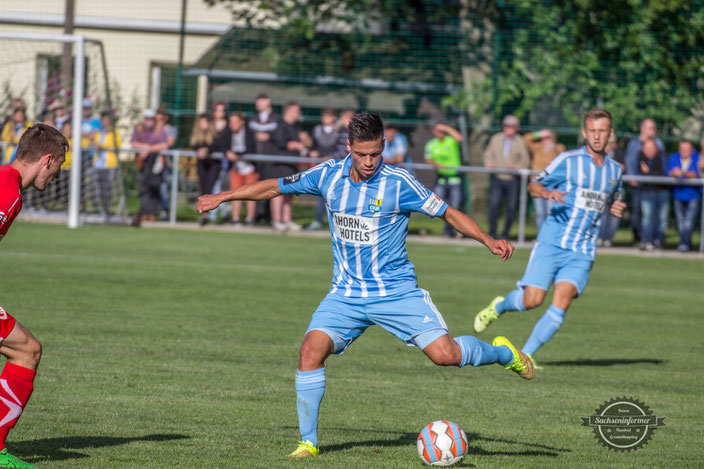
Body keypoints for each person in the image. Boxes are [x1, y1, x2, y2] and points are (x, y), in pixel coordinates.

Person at [197, 112, 533, 459]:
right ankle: (308, 443)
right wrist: (225, 196)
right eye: (362, 154)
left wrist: (486, 239)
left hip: (396, 293)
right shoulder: (327, 175)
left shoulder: (400, 183)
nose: (370, 161)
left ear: (384, 146)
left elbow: (447, 213)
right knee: (310, 351)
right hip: (345, 295)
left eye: (376, 153)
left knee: (445, 356)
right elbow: (274, 186)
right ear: (349, 148)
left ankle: (504, 353)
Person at [473, 109, 626, 366]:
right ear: (584, 132)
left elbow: (613, 197)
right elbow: (534, 183)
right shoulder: (568, 160)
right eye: (593, 130)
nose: (597, 136)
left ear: (610, 134)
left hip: (582, 250)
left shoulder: (615, 171)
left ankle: (525, 356)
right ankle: (499, 306)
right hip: (552, 241)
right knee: (532, 300)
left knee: (561, 303)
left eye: (602, 131)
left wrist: (616, 206)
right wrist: (545, 193)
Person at [0, 123, 68, 468]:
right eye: (59, 166)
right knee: (27, 350)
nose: (57, 175)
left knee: (26, 349)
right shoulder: (7, 194)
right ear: (47, 159)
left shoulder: (7, 184)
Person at [484, 115, 531, 240]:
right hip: (498, 177)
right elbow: (488, 153)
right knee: (494, 206)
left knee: (511, 208)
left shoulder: (520, 141)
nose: (509, 129)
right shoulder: (496, 138)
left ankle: (505, 234)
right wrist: (489, 163)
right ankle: (492, 233)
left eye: (512, 126)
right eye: (507, 126)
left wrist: (516, 167)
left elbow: (525, 161)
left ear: (517, 128)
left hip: (512, 179)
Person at [624, 119, 665, 244]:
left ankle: (652, 238)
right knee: (637, 212)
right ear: (643, 128)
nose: (653, 130)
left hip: (654, 185)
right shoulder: (634, 144)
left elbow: (662, 162)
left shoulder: (658, 144)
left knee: (654, 214)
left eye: (654, 128)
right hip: (638, 184)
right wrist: (631, 177)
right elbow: (629, 160)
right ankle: (638, 236)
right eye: (650, 128)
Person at [424, 122, 465, 237]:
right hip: (441, 179)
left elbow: (460, 138)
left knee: (455, 206)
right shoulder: (431, 144)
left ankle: (453, 231)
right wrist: (437, 164)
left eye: (442, 131)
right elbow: (428, 159)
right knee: (438, 206)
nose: (440, 133)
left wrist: (446, 127)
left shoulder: (450, 141)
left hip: (454, 179)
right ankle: (449, 230)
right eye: (438, 130)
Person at [130, 109, 170, 224]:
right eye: (147, 118)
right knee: (143, 188)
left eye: (151, 119)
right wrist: (144, 148)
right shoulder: (138, 128)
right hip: (142, 162)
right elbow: (133, 143)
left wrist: (149, 149)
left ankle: (153, 213)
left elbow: (164, 145)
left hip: (155, 163)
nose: (149, 121)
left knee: (154, 188)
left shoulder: (159, 130)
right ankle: (145, 212)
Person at [270, 102, 305, 231]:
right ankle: (276, 220)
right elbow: (281, 143)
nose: (299, 114)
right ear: (289, 111)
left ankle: (286, 219)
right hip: (280, 163)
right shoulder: (279, 125)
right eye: (297, 111)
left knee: (289, 192)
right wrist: (294, 145)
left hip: (292, 164)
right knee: (278, 191)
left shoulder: (296, 126)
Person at [523, 129, 565, 231]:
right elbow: (525, 139)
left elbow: (562, 159)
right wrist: (539, 133)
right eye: (544, 138)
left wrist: (552, 145)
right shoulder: (537, 147)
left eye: (548, 138)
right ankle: (541, 236)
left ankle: (550, 235)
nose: (546, 140)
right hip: (537, 185)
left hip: (551, 185)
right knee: (540, 213)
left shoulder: (558, 148)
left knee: (550, 212)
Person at [306, 109, 340, 230]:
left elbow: (339, 148)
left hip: (335, 166)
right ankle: (318, 220)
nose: (326, 118)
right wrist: (312, 152)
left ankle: (337, 222)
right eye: (325, 116)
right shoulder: (317, 130)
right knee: (321, 194)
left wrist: (330, 157)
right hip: (321, 166)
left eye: (329, 116)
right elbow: (313, 147)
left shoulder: (338, 131)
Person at [225, 112, 258, 226]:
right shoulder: (228, 132)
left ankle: (250, 218)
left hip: (249, 167)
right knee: (235, 193)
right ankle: (235, 218)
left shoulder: (249, 133)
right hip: (236, 168)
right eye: (231, 122)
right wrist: (227, 152)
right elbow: (222, 145)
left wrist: (237, 155)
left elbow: (251, 149)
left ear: (242, 122)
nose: (232, 124)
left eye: (235, 122)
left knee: (251, 193)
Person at [668, 140, 701, 252]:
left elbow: (696, 173)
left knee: (689, 221)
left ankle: (685, 243)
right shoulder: (674, 157)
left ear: (691, 150)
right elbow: (669, 172)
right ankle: (685, 243)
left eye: (687, 149)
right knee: (681, 221)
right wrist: (674, 173)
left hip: (693, 195)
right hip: (678, 194)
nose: (684, 151)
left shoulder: (697, 158)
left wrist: (683, 173)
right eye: (682, 149)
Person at [638, 138, 669, 250]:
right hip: (647, 191)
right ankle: (647, 240)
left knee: (662, 219)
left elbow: (663, 175)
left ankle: (658, 240)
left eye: (650, 149)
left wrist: (648, 172)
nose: (648, 151)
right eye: (646, 149)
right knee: (647, 218)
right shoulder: (641, 156)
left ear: (656, 148)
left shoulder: (662, 157)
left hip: (662, 192)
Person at [190, 114, 220, 226]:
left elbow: (218, 146)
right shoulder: (196, 135)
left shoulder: (215, 135)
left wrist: (208, 151)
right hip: (202, 165)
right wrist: (200, 150)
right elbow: (194, 145)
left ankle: (210, 214)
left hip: (213, 165)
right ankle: (205, 214)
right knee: (203, 189)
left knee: (210, 188)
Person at [92, 110, 121, 221]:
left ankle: (106, 209)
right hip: (98, 164)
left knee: (107, 188)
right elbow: (94, 143)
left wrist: (102, 145)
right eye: (103, 120)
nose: (105, 122)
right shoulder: (98, 132)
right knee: (96, 188)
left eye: (107, 120)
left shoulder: (114, 132)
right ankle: (98, 209)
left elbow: (117, 144)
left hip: (109, 164)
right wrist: (95, 144)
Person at [597, 134, 626, 247]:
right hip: (603, 189)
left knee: (614, 214)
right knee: (601, 214)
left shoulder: (618, 153)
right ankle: (600, 237)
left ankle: (608, 238)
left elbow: (622, 167)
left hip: (617, 189)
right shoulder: (600, 154)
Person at [156, 107, 177, 220]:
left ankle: (164, 210)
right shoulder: (152, 129)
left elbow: (168, 143)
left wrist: (151, 147)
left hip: (164, 163)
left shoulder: (171, 129)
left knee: (164, 187)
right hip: (151, 162)